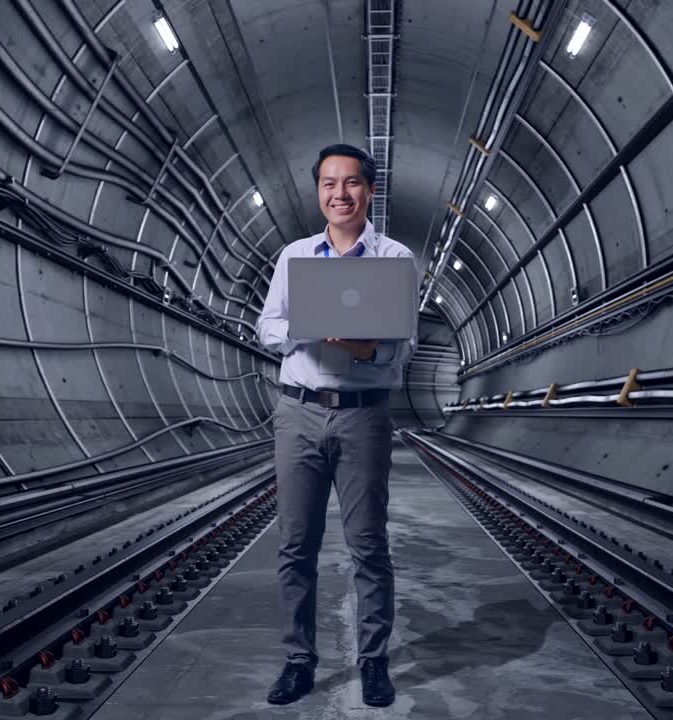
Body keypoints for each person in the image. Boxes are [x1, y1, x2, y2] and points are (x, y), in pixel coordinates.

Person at [255, 144, 416, 707]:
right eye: (328, 183)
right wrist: (314, 325)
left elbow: (400, 349)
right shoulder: (294, 257)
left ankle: (372, 663)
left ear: (370, 191)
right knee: (296, 545)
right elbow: (267, 329)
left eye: (351, 183)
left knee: (368, 545)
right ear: (318, 190)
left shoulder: (395, 259)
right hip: (298, 411)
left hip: (364, 416)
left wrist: (359, 343)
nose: (339, 194)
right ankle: (299, 660)